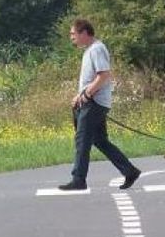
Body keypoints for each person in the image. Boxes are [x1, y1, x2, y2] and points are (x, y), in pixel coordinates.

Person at [58, 18, 141, 191]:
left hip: (94, 103)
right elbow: (92, 79)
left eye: (73, 34)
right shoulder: (90, 50)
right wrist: (79, 95)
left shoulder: (96, 49)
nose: (71, 37)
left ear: (84, 33)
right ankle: (130, 171)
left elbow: (103, 75)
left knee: (82, 140)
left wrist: (87, 95)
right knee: (100, 141)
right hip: (92, 101)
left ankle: (78, 179)